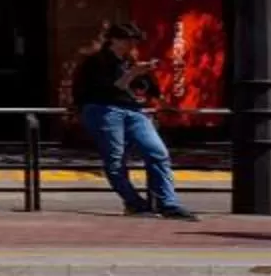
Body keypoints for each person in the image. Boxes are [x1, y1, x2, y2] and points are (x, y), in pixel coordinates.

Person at [72, 21, 193, 219]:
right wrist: (132, 74)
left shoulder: (131, 61)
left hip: (133, 110)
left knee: (157, 152)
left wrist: (163, 101)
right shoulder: (96, 62)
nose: (131, 45)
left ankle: (168, 204)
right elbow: (109, 89)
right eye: (127, 40)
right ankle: (135, 203)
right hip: (103, 109)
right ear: (113, 40)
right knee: (116, 160)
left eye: (134, 40)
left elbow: (150, 88)